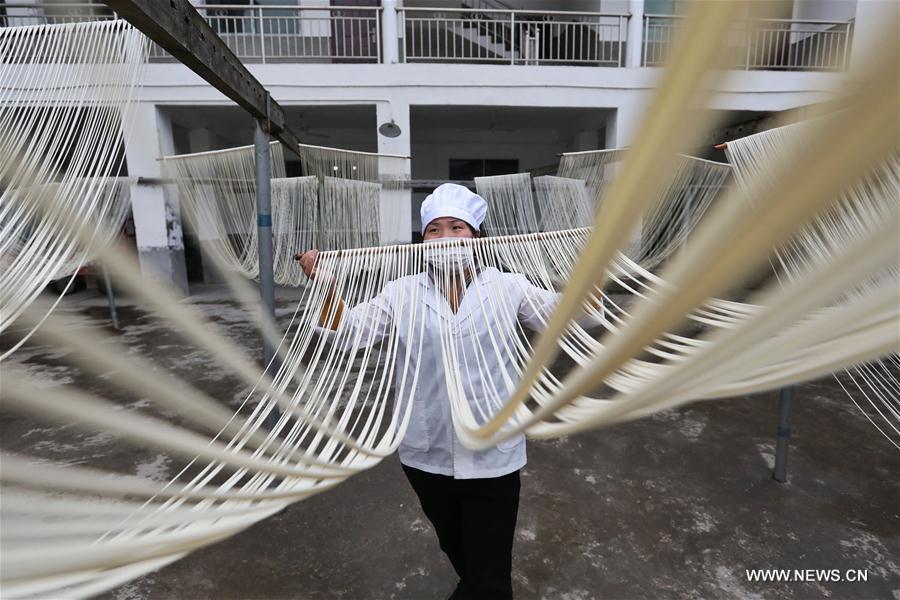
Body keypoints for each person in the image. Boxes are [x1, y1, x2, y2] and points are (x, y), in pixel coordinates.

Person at [295, 183, 603, 600]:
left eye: (456, 228)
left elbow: (573, 316)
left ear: (476, 237)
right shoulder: (401, 293)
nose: (444, 239)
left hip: (493, 453)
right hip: (427, 453)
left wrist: (595, 263)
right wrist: (324, 282)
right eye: (434, 230)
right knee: (456, 547)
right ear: (422, 239)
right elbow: (346, 332)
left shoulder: (507, 287)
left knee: (491, 576)